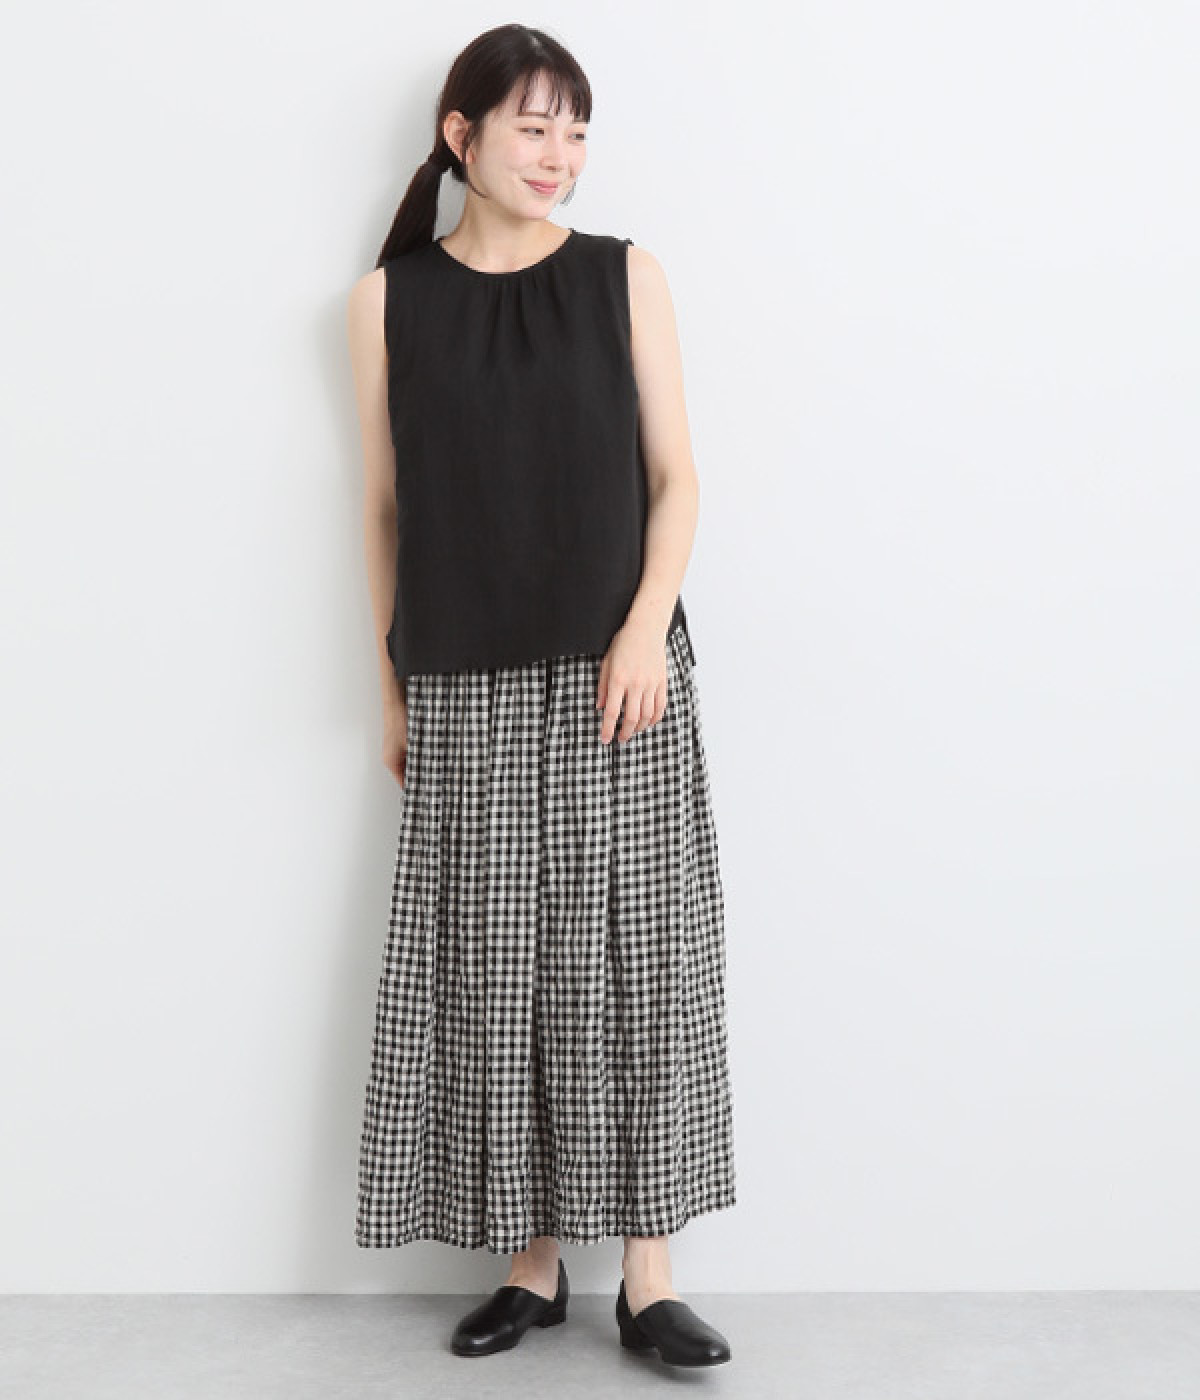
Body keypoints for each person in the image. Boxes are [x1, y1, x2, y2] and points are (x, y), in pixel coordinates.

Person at [346, 23, 736, 1368]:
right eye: (532, 126)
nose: (560, 154)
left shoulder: (625, 277)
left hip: (617, 674)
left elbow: (678, 479)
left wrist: (643, 632)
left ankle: (648, 1278)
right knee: (496, 974)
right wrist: (392, 685)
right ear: (461, 137)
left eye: (576, 129)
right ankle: (531, 1263)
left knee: (639, 966)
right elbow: (385, 508)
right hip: (461, 679)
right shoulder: (387, 302)